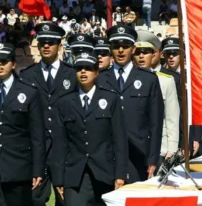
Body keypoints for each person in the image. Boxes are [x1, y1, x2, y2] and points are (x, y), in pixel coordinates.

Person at [51, 53, 129, 205]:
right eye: (79, 69)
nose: (83, 72)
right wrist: (58, 178)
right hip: (74, 174)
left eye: (88, 68)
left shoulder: (110, 99)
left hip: (104, 172)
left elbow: (119, 140)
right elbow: (60, 144)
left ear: (96, 72)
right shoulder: (64, 102)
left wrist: (120, 174)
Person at [19, 23, 77, 206]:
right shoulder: (27, 76)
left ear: (59, 45)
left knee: (66, 198)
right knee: (35, 199)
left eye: (50, 42)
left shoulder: (73, 74)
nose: (46, 46)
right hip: (38, 148)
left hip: (66, 147)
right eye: (42, 42)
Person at [96, 25, 164, 181]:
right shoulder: (100, 79)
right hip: (107, 152)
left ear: (133, 49)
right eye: (116, 46)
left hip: (138, 152)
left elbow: (155, 122)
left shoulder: (149, 79)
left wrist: (153, 157)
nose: (121, 50)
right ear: (110, 49)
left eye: (125, 46)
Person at [0, 43, 46, 206]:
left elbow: (37, 135)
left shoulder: (28, 91)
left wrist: (38, 169)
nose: (0, 65)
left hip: (18, 168)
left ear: (13, 63)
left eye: (4, 61)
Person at [133, 32, 180, 166]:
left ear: (154, 55)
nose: (141, 56)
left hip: (160, 147)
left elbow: (172, 117)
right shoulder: (124, 82)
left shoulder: (166, 81)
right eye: (138, 53)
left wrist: (172, 147)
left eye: (146, 52)